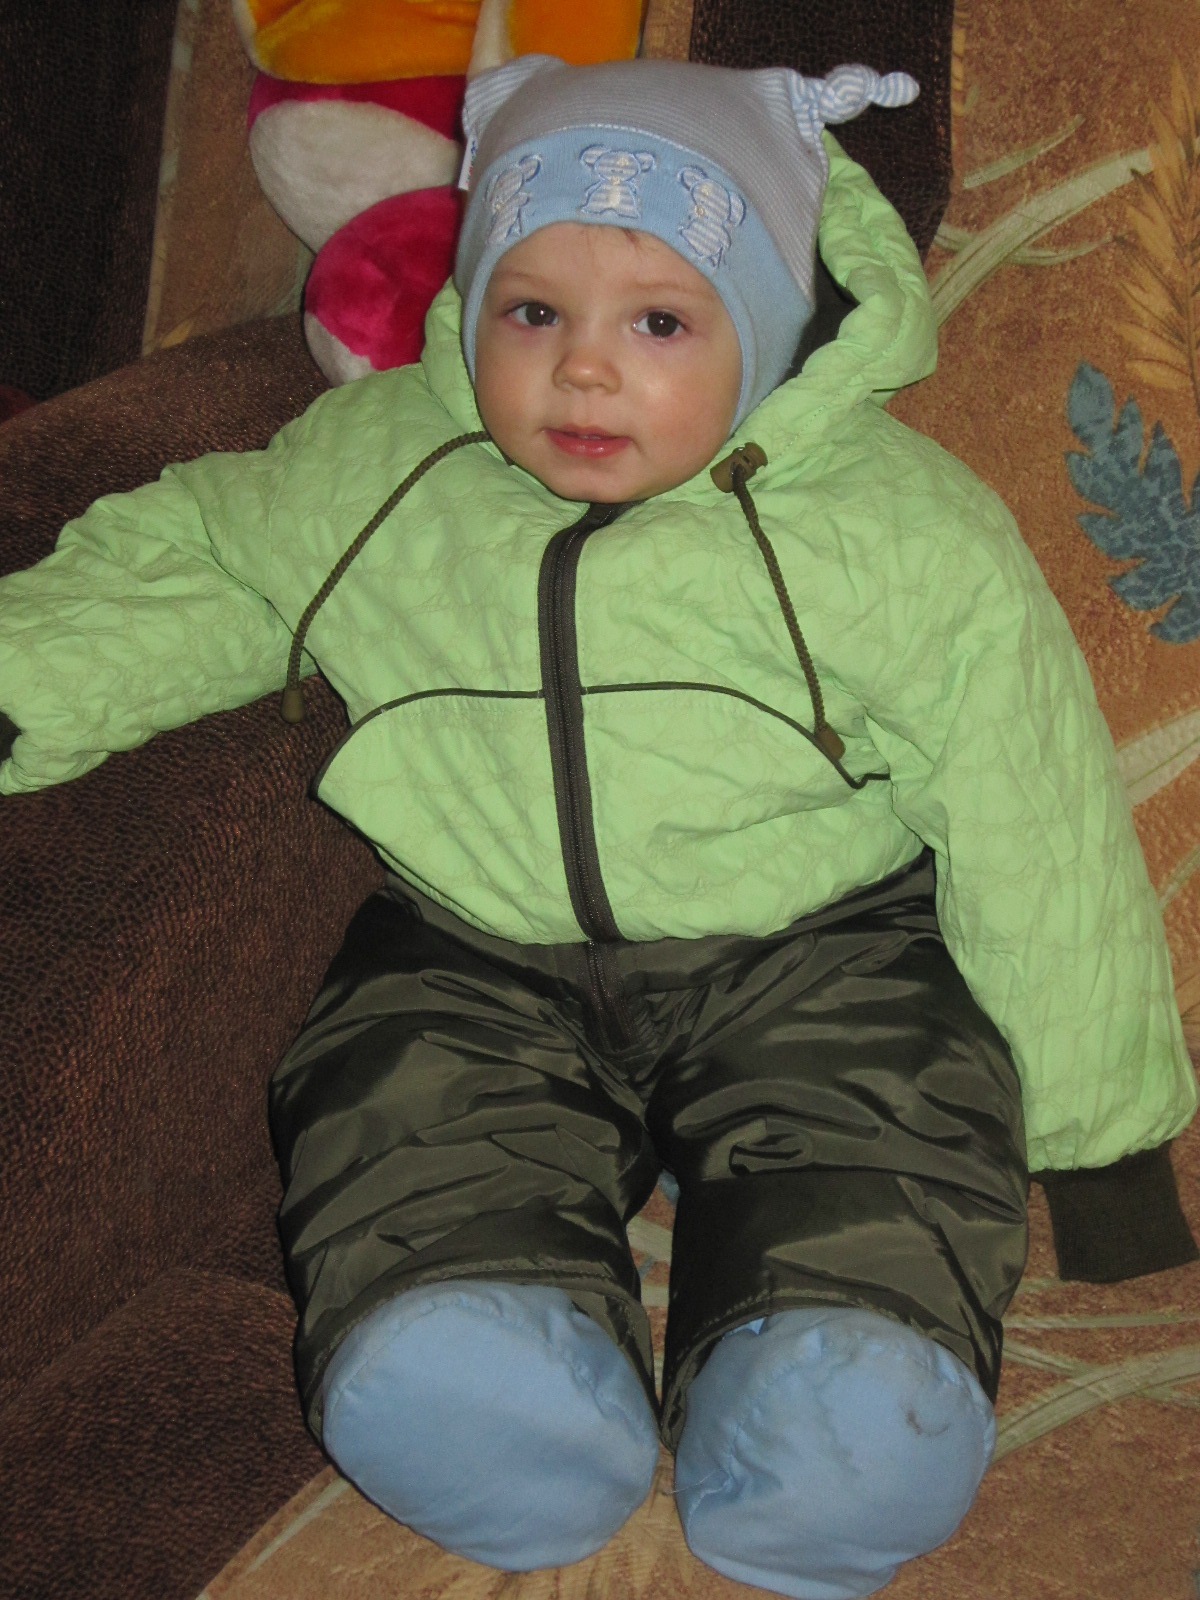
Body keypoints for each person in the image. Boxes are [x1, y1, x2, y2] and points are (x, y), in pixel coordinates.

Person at [1, 52, 1196, 1600]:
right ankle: (481, 1364)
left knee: (878, 1119)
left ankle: (833, 1398)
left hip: (817, 951)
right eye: (532, 312)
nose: (581, 372)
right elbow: (206, 560)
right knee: (399, 1101)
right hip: (472, 947)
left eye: (659, 323)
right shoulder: (387, 469)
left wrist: (1104, 1151)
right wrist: (25, 684)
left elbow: (1038, 822)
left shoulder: (898, 533)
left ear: (769, 328)